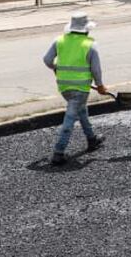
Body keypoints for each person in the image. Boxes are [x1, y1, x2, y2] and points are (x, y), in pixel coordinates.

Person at [43, 12, 107, 165]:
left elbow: (47, 60)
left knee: (81, 111)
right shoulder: (90, 44)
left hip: (64, 87)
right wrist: (100, 85)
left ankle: (92, 140)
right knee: (70, 119)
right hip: (81, 89)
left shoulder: (59, 41)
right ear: (86, 29)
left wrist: (56, 68)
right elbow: (96, 69)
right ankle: (58, 152)